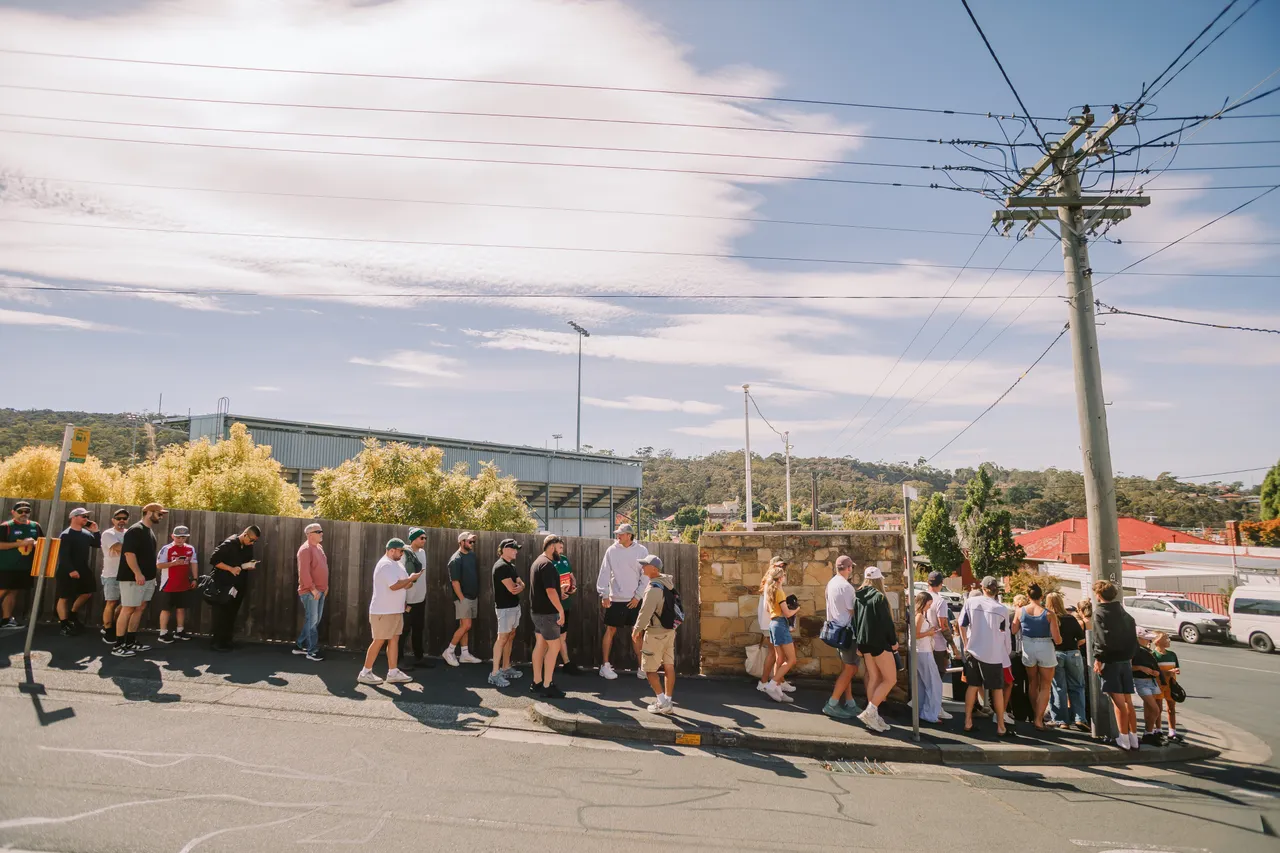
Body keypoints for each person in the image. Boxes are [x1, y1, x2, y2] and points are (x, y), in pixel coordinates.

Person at [358, 538, 420, 685]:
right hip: (383, 611)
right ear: (391, 550)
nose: (402, 553)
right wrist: (409, 579)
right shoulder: (385, 565)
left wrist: (411, 580)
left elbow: (406, 584)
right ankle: (365, 672)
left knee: (394, 640)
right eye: (400, 551)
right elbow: (394, 586)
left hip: (396, 610)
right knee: (379, 641)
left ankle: (392, 672)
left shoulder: (398, 564)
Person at [958, 575, 1013, 736]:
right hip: (994, 653)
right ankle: (1001, 725)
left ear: (982, 588)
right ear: (997, 590)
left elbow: (962, 624)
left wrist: (966, 643)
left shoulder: (971, 602)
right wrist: (1005, 652)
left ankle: (968, 721)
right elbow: (1005, 634)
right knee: (997, 689)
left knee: (972, 686)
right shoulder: (1002, 609)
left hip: (974, 650)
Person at [596, 523, 649, 680]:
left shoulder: (642, 551)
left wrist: (637, 596)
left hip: (635, 600)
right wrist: (604, 594)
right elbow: (604, 572)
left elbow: (645, 575)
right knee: (610, 630)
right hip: (616, 599)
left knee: (637, 634)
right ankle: (605, 666)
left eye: (620, 534)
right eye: (617, 534)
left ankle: (642, 668)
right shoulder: (611, 550)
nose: (617, 536)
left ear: (629, 535)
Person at [112, 503, 166, 657]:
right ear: (148, 512)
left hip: (147, 579)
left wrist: (148, 576)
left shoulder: (149, 531)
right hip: (132, 578)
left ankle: (130, 641)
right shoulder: (135, 530)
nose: (161, 517)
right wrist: (137, 573)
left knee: (140, 608)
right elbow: (129, 554)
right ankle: (118, 645)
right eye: (159, 514)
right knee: (128, 608)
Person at [1092, 579, 1139, 751]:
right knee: (1128, 701)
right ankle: (1133, 737)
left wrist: (1099, 659)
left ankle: (1123, 738)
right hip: (1126, 660)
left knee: (1118, 702)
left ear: (1098, 595)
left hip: (1110, 661)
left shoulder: (1099, 613)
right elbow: (1134, 639)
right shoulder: (1125, 614)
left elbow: (1100, 640)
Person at [851, 566, 899, 732]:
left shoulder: (858, 596)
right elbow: (886, 623)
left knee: (874, 677)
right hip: (879, 643)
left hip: (864, 643)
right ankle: (871, 711)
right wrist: (893, 642)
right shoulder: (879, 597)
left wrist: (858, 643)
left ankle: (874, 716)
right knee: (890, 679)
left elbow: (855, 622)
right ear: (879, 579)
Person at [632, 554, 677, 714]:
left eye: (645, 565)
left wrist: (636, 630)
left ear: (654, 569)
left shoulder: (653, 589)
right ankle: (668, 701)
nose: (642, 567)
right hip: (669, 631)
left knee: (649, 669)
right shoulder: (668, 584)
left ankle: (662, 701)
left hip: (655, 633)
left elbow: (645, 613)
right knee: (669, 666)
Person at [1012, 583, 1061, 731]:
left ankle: (1035, 714)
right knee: (1046, 685)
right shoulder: (1048, 614)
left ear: (1028, 596)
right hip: (1045, 645)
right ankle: (1039, 719)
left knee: (1033, 682)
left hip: (1028, 646)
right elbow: (1057, 638)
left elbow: (1014, 630)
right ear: (1041, 596)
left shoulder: (1020, 611)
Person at [207, 525, 260, 653]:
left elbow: (242, 563)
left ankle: (227, 640)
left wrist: (249, 565)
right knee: (221, 613)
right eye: (251, 540)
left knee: (232, 613)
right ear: (245, 534)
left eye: (255, 541)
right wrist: (230, 568)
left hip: (237, 585)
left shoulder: (248, 546)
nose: (252, 543)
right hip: (223, 584)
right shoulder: (229, 544)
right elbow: (214, 560)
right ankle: (217, 642)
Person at [822, 555, 861, 719]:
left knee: (847, 668)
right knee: (851, 668)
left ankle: (850, 702)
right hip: (847, 633)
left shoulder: (832, 583)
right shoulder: (847, 587)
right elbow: (853, 611)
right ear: (849, 568)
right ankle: (832, 703)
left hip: (837, 631)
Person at [528, 534, 567, 699]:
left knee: (541, 645)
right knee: (555, 647)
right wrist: (561, 610)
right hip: (547, 614)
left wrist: (561, 592)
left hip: (537, 613)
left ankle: (537, 682)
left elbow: (547, 589)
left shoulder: (538, 562)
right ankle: (547, 685)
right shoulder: (548, 565)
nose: (561, 551)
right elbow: (550, 591)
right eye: (560, 548)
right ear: (552, 546)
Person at [54, 508, 100, 635]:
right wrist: (71, 570)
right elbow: (63, 555)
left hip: (83, 569)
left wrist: (96, 531)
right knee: (64, 597)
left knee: (87, 593)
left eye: (87, 516)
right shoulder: (66, 534)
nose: (86, 518)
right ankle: (64, 625)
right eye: (83, 516)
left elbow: (97, 544)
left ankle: (72, 615)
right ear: (73, 517)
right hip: (66, 570)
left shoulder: (86, 533)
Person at [1047, 592, 1088, 731]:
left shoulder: (1048, 619)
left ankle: (1062, 720)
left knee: (1058, 687)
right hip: (1073, 654)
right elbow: (1082, 640)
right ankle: (1080, 718)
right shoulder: (1070, 619)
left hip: (1056, 653)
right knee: (1077, 687)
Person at [0, 499, 42, 632]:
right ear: (13, 512)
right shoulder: (6, 526)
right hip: (5, 566)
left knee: (14, 592)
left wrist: (36, 544)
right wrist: (20, 544)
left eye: (27, 511)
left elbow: (42, 543)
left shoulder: (35, 526)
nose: (24, 513)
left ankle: (7, 619)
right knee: (3, 590)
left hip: (24, 567)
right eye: (20, 511)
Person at [489, 537, 527, 687]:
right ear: (504, 549)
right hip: (505, 608)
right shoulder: (501, 567)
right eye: (513, 548)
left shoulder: (510, 565)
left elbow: (521, 584)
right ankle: (494, 673)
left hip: (513, 607)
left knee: (510, 636)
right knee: (502, 638)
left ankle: (505, 668)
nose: (516, 551)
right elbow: (513, 588)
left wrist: (521, 586)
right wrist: (519, 586)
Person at [760, 558, 798, 704]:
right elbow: (788, 614)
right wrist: (797, 608)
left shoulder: (770, 590)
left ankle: (777, 689)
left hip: (773, 624)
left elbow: (769, 611)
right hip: (780, 625)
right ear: (780, 578)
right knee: (791, 659)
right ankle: (773, 683)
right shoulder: (780, 592)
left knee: (780, 658)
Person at [443, 531, 482, 666]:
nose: (472, 544)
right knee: (467, 625)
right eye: (469, 541)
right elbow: (455, 582)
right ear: (461, 542)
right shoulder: (455, 560)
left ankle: (464, 654)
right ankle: (449, 650)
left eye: (473, 542)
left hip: (472, 596)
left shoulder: (471, 556)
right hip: (463, 598)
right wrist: (462, 598)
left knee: (464, 626)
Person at [155, 525, 197, 643]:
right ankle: (163, 633)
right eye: (178, 537)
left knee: (181, 608)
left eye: (184, 538)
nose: (181, 540)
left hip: (183, 583)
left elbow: (194, 563)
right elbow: (159, 565)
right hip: (168, 584)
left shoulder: (190, 548)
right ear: (172, 536)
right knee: (166, 609)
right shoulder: (166, 549)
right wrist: (173, 563)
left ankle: (180, 631)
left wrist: (195, 579)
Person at [914, 590, 949, 723]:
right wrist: (929, 632)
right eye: (928, 604)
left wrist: (929, 632)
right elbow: (916, 635)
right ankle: (929, 713)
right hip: (923, 652)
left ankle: (925, 711)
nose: (929, 607)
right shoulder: (919, 617)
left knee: (924, 684)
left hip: (923, 651)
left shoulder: (919, 615)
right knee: (934, 684)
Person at [294, 522, 328, 661]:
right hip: (310, 592)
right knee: (312, 621)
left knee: (314, 620)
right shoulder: (305, 550)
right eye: (318, 531)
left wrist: (325, 587)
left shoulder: (319, 547)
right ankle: (311, 651)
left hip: (320, 591)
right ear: (309, 535)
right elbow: (304, 573)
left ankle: (300, 645)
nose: (322, 533)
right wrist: (313, 590)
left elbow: (324, 567)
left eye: (321, 531)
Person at [400, 527, 429, 670]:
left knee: (418, 629)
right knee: (404, 630)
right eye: (421, 538)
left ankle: (419, 658)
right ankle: (398, 660)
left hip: (420, 598)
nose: (424, 540)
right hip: (407, 599)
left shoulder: (423, 553)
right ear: (413, 539)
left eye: (425, 538)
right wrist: (403, 599)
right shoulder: (404, 554)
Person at [99, 508, 129, 643]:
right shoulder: (108, 534)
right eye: (118, 518)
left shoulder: (129, 534)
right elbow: (119, 547)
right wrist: (135, 550)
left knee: (126, 604)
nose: (121, 521)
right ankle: (108, 629)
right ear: (113, 520)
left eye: (124, 518)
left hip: (127, 574)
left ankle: (116, 625)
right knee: (111, 602)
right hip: (111, 574)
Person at [1132, 629, 1166, 747]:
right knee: (1155, 709)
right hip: (1141, 681)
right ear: (1139, 638)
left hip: (1151, 681)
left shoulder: (1147, 651)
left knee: (1150, 709)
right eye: (1146, 638)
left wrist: (1155, 673)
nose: (1149, 640)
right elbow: (1129, 666)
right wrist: (1141, 668)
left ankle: (1148, 733)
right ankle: (1148, 733)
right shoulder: (1135, 651)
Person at [926, 571, 958, 689]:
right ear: (941, 584)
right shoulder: (940, 601)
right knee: (937, 677)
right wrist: (953, 646)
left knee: (925, 679)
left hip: (922, 643)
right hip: (938, 644)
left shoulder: (920, 597)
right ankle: (934, 705)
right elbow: (943, 625)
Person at [553, 538, 580, 675]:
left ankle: (567, 663)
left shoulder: (564, 559)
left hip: (566, 604)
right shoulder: (546, 562)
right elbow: (547, 585)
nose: (562, 550)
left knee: (562, 636)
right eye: (560, 547)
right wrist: (559, 592)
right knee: (549, 637)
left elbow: (571, 576)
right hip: (553, 606)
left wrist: (572, 585)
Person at [1151, 632, 1183, 743]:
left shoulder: (1172, 654)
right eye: (1166, 638)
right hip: (1159, 685)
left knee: (1171, 707)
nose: (1169, 640)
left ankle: (1172, 731)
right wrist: (1167, 672)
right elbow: (1155, 672)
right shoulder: (1153, 655)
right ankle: (1158, 729)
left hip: (1171, 685)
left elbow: (1176, 667)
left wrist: (1175, 672)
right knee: (1158, 708)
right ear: (1158, 641)